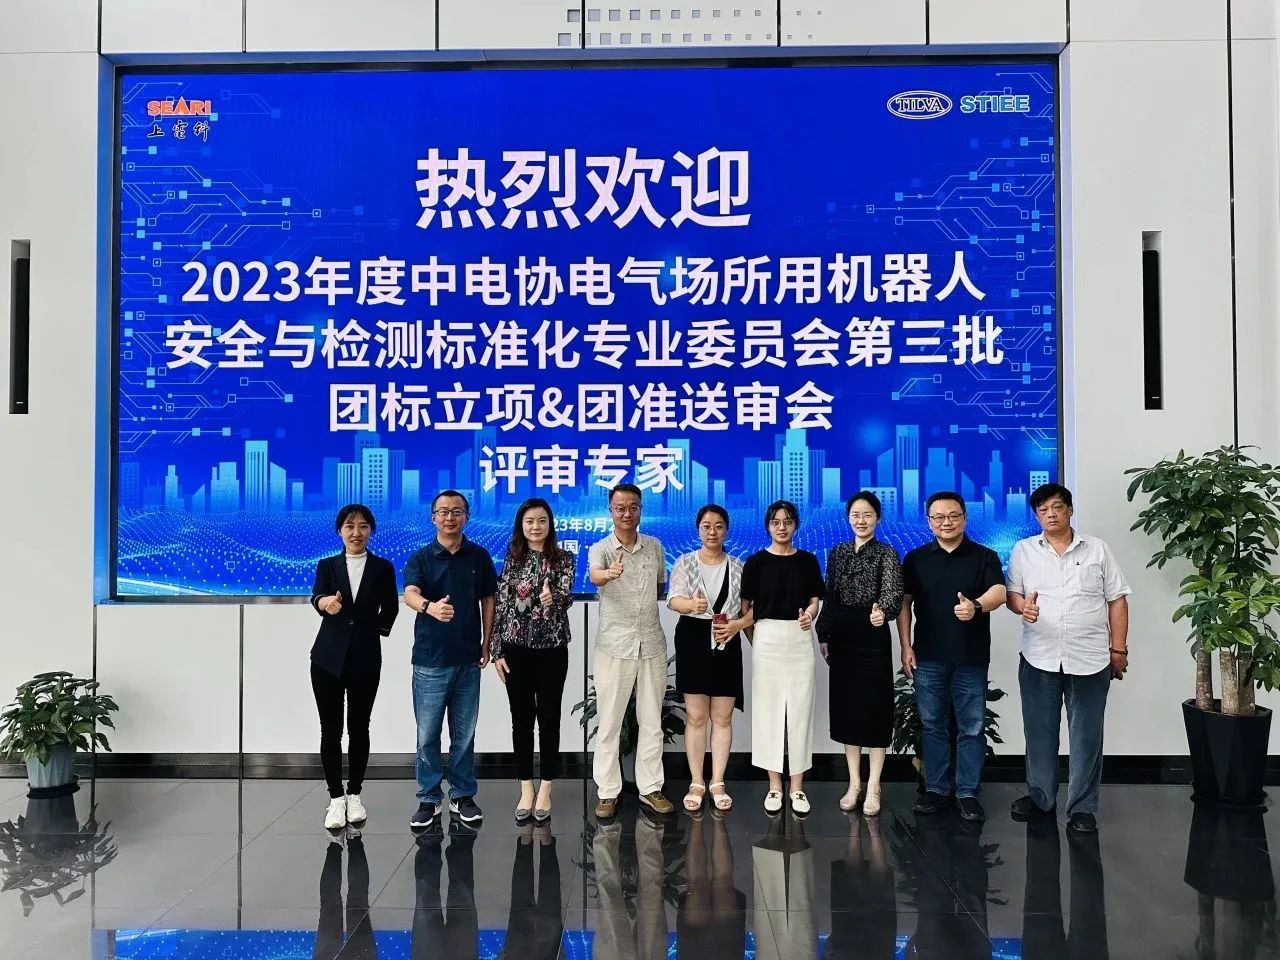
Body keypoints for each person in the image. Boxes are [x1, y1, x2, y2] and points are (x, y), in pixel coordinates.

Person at [1006, 482, 1131, 834]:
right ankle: (1041, 797)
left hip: (1090, 658)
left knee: (1087, 737)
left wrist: (1118, 649)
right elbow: (1013, 595)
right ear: (1036, 515)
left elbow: (1117, 600)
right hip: (1039, 657)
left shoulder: (1097, 549)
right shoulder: (1024, 551)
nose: (1051, 514)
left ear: (1070, 510)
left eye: (1057, 507)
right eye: (1043, 510)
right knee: (1039, 733)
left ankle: (1082, 808)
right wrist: (1023, 608)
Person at [899, 491, 1006, 823]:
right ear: (929, 521)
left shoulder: (984, 556)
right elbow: (904, 604)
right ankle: (936, 789)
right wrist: (905, 646)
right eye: (938, 517)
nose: (946, 522)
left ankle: (968, 792)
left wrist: (976, 606)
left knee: (971, 727)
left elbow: (999, 592)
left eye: (953, 515)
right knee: (932, 725)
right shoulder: (915, 558)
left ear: (964, 518)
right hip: (928, 656)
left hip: (970, 657)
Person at [403, 490, 497, 830]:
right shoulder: (421, 558)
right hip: (430, 660)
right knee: (427, 734)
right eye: (443, 511)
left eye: (456, 511)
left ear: (466, 517)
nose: (449, 517)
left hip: (468, 659)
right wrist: (430, 607)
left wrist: (486, 642)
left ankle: (462, 795)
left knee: (464, 733)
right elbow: (410, 594)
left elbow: (488, 599)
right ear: (433, 518)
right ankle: (428, 798)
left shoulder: (478, 556)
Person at [309, 503, 399, 830]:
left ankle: (355, 794)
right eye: (349, 526)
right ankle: (335, 798)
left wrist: (370, 630)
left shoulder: (383, 567)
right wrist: (324, 603)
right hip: (327, 659)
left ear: (371, 531)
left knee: (360, 727)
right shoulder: (327, 565)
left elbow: (391, 608)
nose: (356, 532)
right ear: (340, 531)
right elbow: (317, 597)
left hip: (365, 658)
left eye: (363, 526)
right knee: (330, 729)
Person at [588, 483, 674, 819]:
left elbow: (660, 587)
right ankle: (608, 792)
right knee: (610, 722)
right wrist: (609, 574)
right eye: (620, 508)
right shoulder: (601, 549)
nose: (627, 513)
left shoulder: (655, 547)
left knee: (651, 721)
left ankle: (650, 788)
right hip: (614, 646)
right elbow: (595, 576)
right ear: (610, 511)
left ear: (640, 509)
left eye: (633, 507)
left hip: (651, 643)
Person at [818, 491, 904, 817]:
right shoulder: (838, 552)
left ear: (877, 518)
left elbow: (893, 594)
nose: (861, 520)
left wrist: (884, 612)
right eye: (855, 515)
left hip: (872, 634)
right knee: (848, 710)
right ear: (848, 518)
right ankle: (854, 783)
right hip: (842, 636)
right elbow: (829, 596)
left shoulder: (886, 553)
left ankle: (874, 785)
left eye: (867, 514)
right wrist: (824, 633)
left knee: (875, 710)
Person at [492, 497, 577, 824]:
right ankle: (526, 787)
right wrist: (497, 651)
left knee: (550, 717)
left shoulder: (564, 558)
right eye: (529, 521)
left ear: (550, 524)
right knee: (521, 719)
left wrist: (553, 597)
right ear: (521, 526)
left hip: (552, 649)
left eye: (542, 521)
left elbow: (567, 597)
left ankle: (546, 788)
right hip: (516, 649)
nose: (536, 527)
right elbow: (501, 605)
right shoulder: (512, 558)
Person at [740, 499, 824, 816]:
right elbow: (746, 610)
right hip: (767, 638)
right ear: (767, 526)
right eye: (776, 522)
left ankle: (797, 787)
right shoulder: (755, 562)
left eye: (788, 521)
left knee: (800, 711)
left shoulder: (808, 560)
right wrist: (757, 641)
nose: (782, 527)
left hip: (800, 638)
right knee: (768, 712)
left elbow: (815, 600)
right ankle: (775, 786)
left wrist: (810, 615)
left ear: (796, 525)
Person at [667, 504, 746, 813]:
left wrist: (737, 626)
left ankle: (718, 782)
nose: (712, 532)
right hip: (693, 639)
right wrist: (691, 605)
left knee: (723, 717)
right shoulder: (685, 562)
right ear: (698, 530)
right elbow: (673, 600)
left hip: (727, 637)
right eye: (706, 526)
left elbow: (749, 609)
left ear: (726, 530)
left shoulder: (739, 566)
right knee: (697, 717)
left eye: (718, 526)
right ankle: (697, 782)